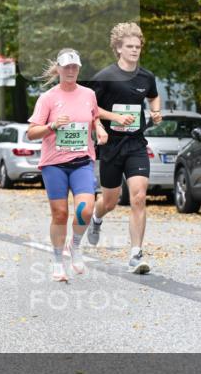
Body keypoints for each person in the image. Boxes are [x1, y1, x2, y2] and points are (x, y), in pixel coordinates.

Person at [83, 22, 163, 274]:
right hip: (111, 146)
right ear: (118, 48)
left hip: (136, 144)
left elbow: (153, 95)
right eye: (129, 46)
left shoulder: (146, 77)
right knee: (110, 200)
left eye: (138, 47)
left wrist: (156, 110)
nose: (134, 50)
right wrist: (104, 124)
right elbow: (90, 108)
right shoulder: (104, 77)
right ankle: (96, 218)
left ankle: (135, 254)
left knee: (139, 196)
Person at [27, 49, 108, 282]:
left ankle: (75, 245)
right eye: (66, 67)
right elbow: (32, 132)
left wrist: (99, 128)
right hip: (55, 164)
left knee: (85, 209)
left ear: (78, 68)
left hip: (82, 161)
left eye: (75, 67)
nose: (71, 70)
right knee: (60, 214)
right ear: (59, 69)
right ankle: (57, 261)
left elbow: (93, 117)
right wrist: (52, 125)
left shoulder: (89, 94)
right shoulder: (48, 98)